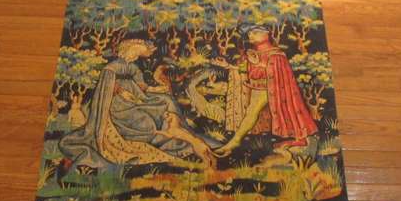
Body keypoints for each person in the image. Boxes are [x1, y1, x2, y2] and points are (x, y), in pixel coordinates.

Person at [59, 39, 214, 169]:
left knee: (164, 101)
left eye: (138, 55)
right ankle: (154, 138)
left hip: (137, 99)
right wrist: (121, 92)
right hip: (117, 105)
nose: (136, 57)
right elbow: (106, 87)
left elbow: (142, 87)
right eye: (136, 54)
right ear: (129, 51)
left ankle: (172, 135)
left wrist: (156, 89)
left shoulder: (133, 68)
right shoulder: (111, 68)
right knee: (147, 124)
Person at [213, 25, 318, 156]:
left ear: (267, 34)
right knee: (252, 112)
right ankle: (235, 142)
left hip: (272, 88)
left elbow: (274, 73)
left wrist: (257, 63)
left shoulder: (276, 54)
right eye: (249, 33)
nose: (250, 35)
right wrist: (228, 66)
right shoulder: (253, 53)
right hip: (257, 87)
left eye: (255, 32)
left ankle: (234, 142)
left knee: (267, 110)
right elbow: (246, 70)